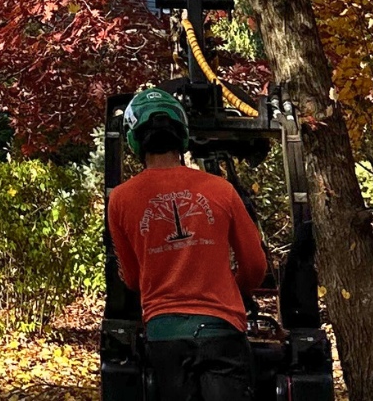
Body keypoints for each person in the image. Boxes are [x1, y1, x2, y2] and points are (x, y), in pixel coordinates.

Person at [107, 88, 266, 401]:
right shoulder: (221, 190)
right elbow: (255, 266)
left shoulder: (121, 200)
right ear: (182, 135)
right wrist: (236, 291)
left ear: (135, 140)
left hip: (165, 336)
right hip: (221, 329)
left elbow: (133, 279)